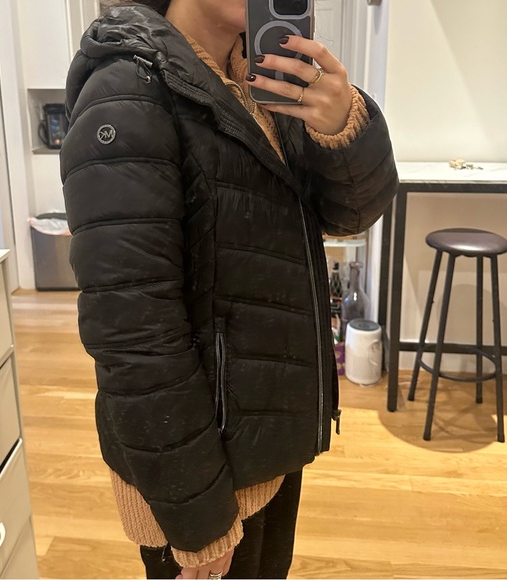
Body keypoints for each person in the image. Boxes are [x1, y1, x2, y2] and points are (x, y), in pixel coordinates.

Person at [60, 0, 398, 578]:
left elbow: (348, 216)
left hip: (267, 437)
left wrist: (342, 125)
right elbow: (132, 332)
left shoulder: (263, 85)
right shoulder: (128, 92)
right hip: (201, 473)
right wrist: (198, 518)